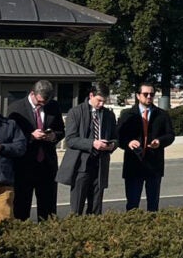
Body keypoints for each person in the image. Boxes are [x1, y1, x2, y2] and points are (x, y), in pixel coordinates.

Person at [56, 83, 119, 215]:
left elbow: (115, 137)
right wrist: (92, 143)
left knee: (96, 206)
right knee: (77, 206)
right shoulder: (76, 112)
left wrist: (112, 145)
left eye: (104, 101)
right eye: (99, 100)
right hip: (81, 166)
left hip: (100, 165)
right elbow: (71, 140)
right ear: (91, 95)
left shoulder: (108, 115)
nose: (101, 104)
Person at [7, 80, 65, 221]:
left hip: (47, 165)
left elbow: (60, 131)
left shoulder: (53, 106)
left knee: (48, 209)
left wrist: (53, 136)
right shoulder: (16, 108)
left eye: (45, 103)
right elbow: (11, 136)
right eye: (39, 102)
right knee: (21, 207)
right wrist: (31, 136)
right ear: (32, 93)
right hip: (24, 165)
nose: (42, 105)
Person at [117, 83, 175, 212]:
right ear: (138, 96)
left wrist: (160, 141)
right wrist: (129, 143)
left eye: (152, 94)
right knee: (132, 205)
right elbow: (119, 138)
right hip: (133, 165)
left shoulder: (162, 114)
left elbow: (170, 135)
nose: (149, 96)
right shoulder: (127, 115)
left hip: (154, 165)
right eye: (145, 94)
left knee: (153, 205)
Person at [0, 101, 26, 224]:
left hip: (1, 187)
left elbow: (21, 148)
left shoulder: (9, 125)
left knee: (4, 226)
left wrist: (0, 147)